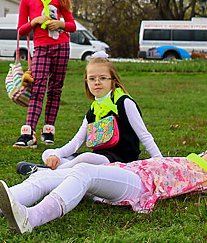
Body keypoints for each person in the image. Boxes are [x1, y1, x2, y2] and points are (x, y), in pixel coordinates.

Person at [0, 146, 207, 233]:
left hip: (140, 187)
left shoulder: (204, 179)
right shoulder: (183, 159)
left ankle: (32, 218)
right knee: (46, 178)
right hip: (122, 172)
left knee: (85, 172)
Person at [17, 52, 161, 175]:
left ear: (113, 81)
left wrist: (161, 162)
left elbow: (144, 135)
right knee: (48, 153)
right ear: (87, 82)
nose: (97, 82)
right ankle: (57, 168)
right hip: (99, 156)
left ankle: (46, 173)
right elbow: (77, 141)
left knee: (85, 159)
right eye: (92, 79)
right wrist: (56, 154)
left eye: (103, 78)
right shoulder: (93, 110)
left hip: (121, 160)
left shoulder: (124, 103)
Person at [14, 0, 76, 148]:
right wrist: (34, 22)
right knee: (38, 88)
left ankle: (48, 130)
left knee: (55, 89)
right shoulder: (28, 0)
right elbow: (21, 30)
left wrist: (61, 24)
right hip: (41, 47)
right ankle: (28, 132)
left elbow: (72, 25)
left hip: (61, 46)